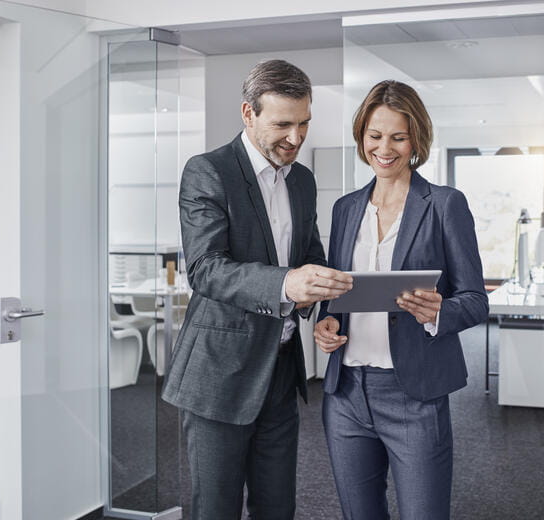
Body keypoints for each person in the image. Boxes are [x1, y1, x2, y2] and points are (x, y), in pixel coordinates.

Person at [163, 59, 353, 520]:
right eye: (283, 124)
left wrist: (324, 306)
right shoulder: (208, 171)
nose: (296, 137)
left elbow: (311, 255)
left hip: (281, 372)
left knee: (277, 507)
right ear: (248, 113)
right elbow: (206, 269)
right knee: (217, 509)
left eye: (304, 123)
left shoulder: (303, 180)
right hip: (220, 375)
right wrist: (287, 282)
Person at [314, 80, 488, 520]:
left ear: (416, 140)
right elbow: (337, 292)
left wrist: (439, 312)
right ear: (362, 137)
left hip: (414, 393)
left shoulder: (445, 204)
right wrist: (326, 323)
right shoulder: (345, 208)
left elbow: (474, 299)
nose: (384, 148)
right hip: (346, 393)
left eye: (398, 136)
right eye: (374, 136)